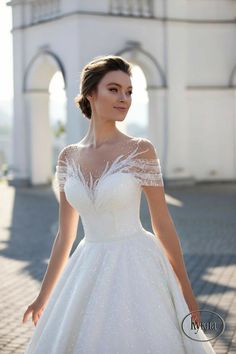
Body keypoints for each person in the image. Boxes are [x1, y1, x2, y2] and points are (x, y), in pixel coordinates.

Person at [22, 55, 216, 353]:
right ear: (91, 93)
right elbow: (65, 235)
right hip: (86, 266)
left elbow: (162, 224)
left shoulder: (141, 151)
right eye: (114, 89)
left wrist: (187, 293)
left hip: (137, 265)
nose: (124, 98)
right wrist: (43, 296)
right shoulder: (67, 157)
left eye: (129, 91)